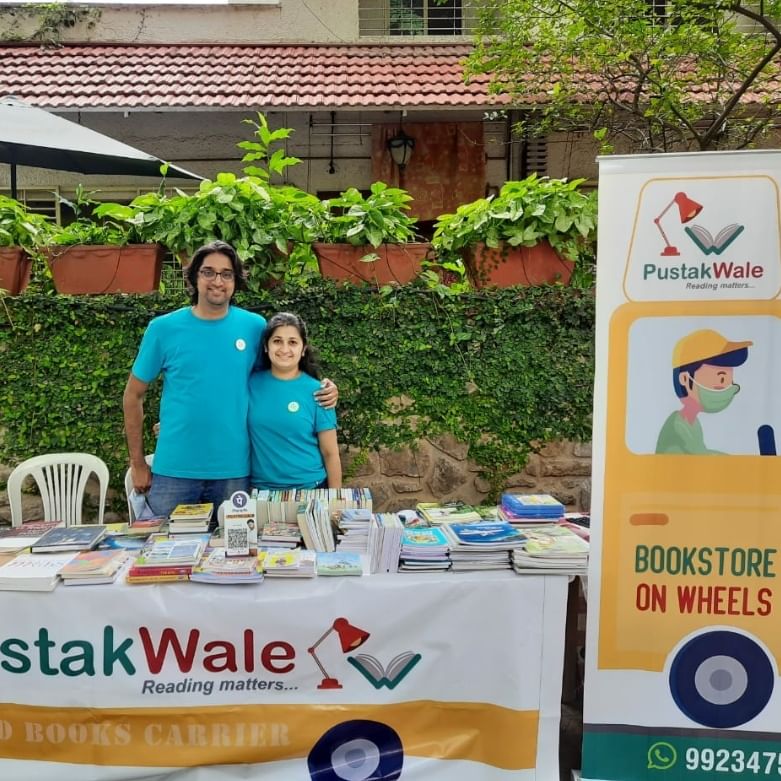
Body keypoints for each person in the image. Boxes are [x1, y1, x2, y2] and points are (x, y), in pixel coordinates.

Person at [123, 241, 337, 524]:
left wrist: (323, 389)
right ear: (194, 277)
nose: (217, 281)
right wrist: (137, 463)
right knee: (162, 558)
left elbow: (281, 375)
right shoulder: (163, 329)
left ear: (236, 281)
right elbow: (133, 396)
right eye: (208, 272)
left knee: (233, 560)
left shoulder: (254, 327)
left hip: (234, 473)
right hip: (174, 470)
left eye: (226, 274)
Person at [249, 312, 342, 490]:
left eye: (292, 342)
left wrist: (334, 499)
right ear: (266, 346)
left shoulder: (320, 392)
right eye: (277, 341)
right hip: (261, 492)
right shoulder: (250, 384)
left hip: (310, 489)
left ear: (303, 348)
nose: (284, 349)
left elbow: (330, 453)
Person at [655, 328, 751, 455]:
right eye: (721, 378)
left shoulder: (692, 423)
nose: (731, 389)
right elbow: (700, 458)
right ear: (684, 378)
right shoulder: (678, 427)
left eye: (730, 381)